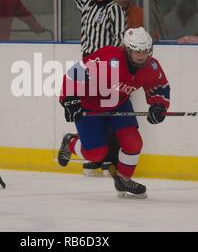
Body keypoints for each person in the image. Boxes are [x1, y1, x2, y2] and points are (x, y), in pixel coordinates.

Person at [58, 27, 170, 198]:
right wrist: (69, 100)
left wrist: (158, 106)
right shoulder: (109, 58)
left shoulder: (151, 66)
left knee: (133, 143)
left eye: (145, 50)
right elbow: (74, 74)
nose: (142, 55)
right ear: (127, 49)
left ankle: (123, 179)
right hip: (90, 106)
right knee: (96, 154)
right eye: (137, 51)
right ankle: (70, 142)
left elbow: (159, 86)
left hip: (118, 104)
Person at [57, 0, 126, 177]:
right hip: (87, 65)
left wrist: (116, 70)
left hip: (108, 68)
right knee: (90, 111)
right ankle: (93, 154)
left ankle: (108, 161)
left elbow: (120, 39)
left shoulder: (114, 9)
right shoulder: (86, 2)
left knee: (110, 112)